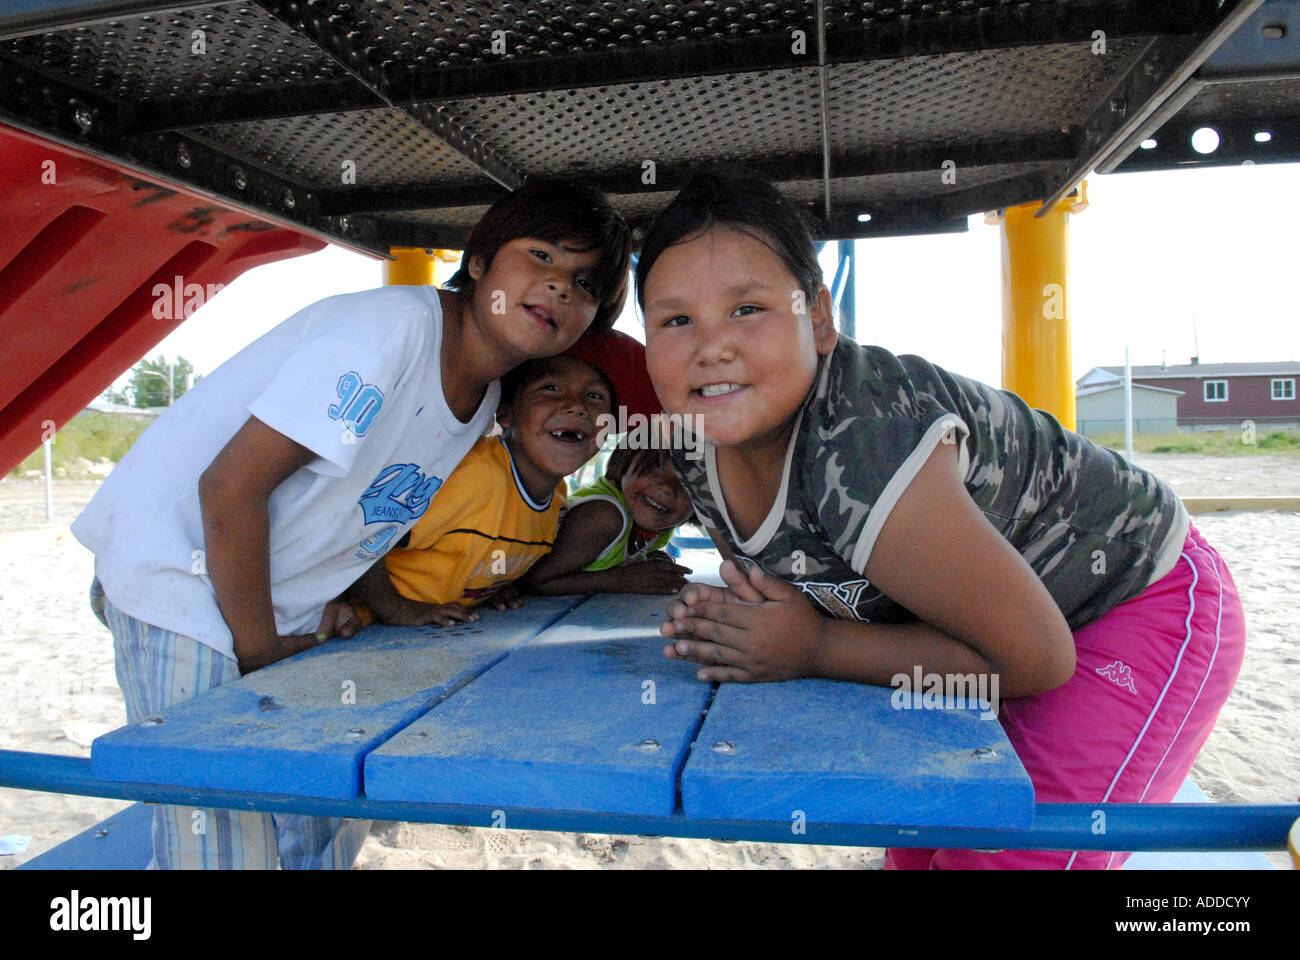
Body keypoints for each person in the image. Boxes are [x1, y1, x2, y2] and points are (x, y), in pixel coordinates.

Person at [636, 168, 1245, 870]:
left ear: (822, 319)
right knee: (924, 837)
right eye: (676, 320)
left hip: (1132, 601)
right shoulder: (692, 447)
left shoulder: (866, 449)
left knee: (1013, 854)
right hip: (984, 626)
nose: (712, 344)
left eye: (748, 309)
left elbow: (1034, 660)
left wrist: (813, 648)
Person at [71, 178, 631, 869]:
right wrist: (258, 650)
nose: (557, 287)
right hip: (182, 579)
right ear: (481, 258)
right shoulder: (393, 332)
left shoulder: (483, 395)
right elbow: (231, 484)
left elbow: (362, 508)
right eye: (540, 255)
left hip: (270, 600)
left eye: (583, 283)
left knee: (321, 826)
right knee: (220, 841)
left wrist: (388, 605)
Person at [348, 354, 613, 625]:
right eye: (551, 388)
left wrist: (490, 587)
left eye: (594, 395)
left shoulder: (557, 497)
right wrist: (396, 609)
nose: (577, 406)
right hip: (355, 625)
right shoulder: (471, 474)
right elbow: (358, 534)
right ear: (505, 414)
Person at [522, 441, 696, 596]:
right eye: (655, 466)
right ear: (625, 459)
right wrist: (624, 579)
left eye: (687, 482)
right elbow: (535, 581)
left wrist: (649, 561)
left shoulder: (659, 526)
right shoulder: (604, 516)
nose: (667, 487)